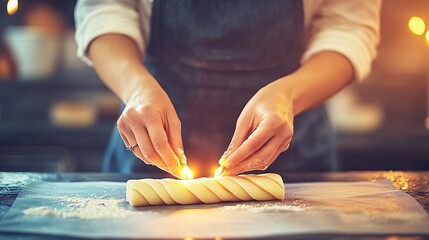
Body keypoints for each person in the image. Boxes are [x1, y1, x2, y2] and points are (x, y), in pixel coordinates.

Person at [75, 0, 381, 178]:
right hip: (147, 151)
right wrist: (137, 89)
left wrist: (288, 96)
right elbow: (103, 8)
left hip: (295, 157)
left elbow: (348, 28)